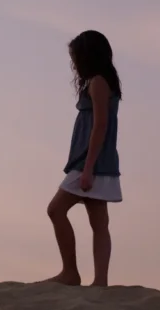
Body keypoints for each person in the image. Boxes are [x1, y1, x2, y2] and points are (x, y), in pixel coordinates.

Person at [44, 30, 122, 287]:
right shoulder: (99, 81)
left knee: (56, 210)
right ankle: (99, 282)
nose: (74, 63)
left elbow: (100, 125)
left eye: (76, 56)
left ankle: (71, 273)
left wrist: (87, 168)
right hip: (97, 162)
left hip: (91, 162)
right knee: (99, 222)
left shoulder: (98, 82)